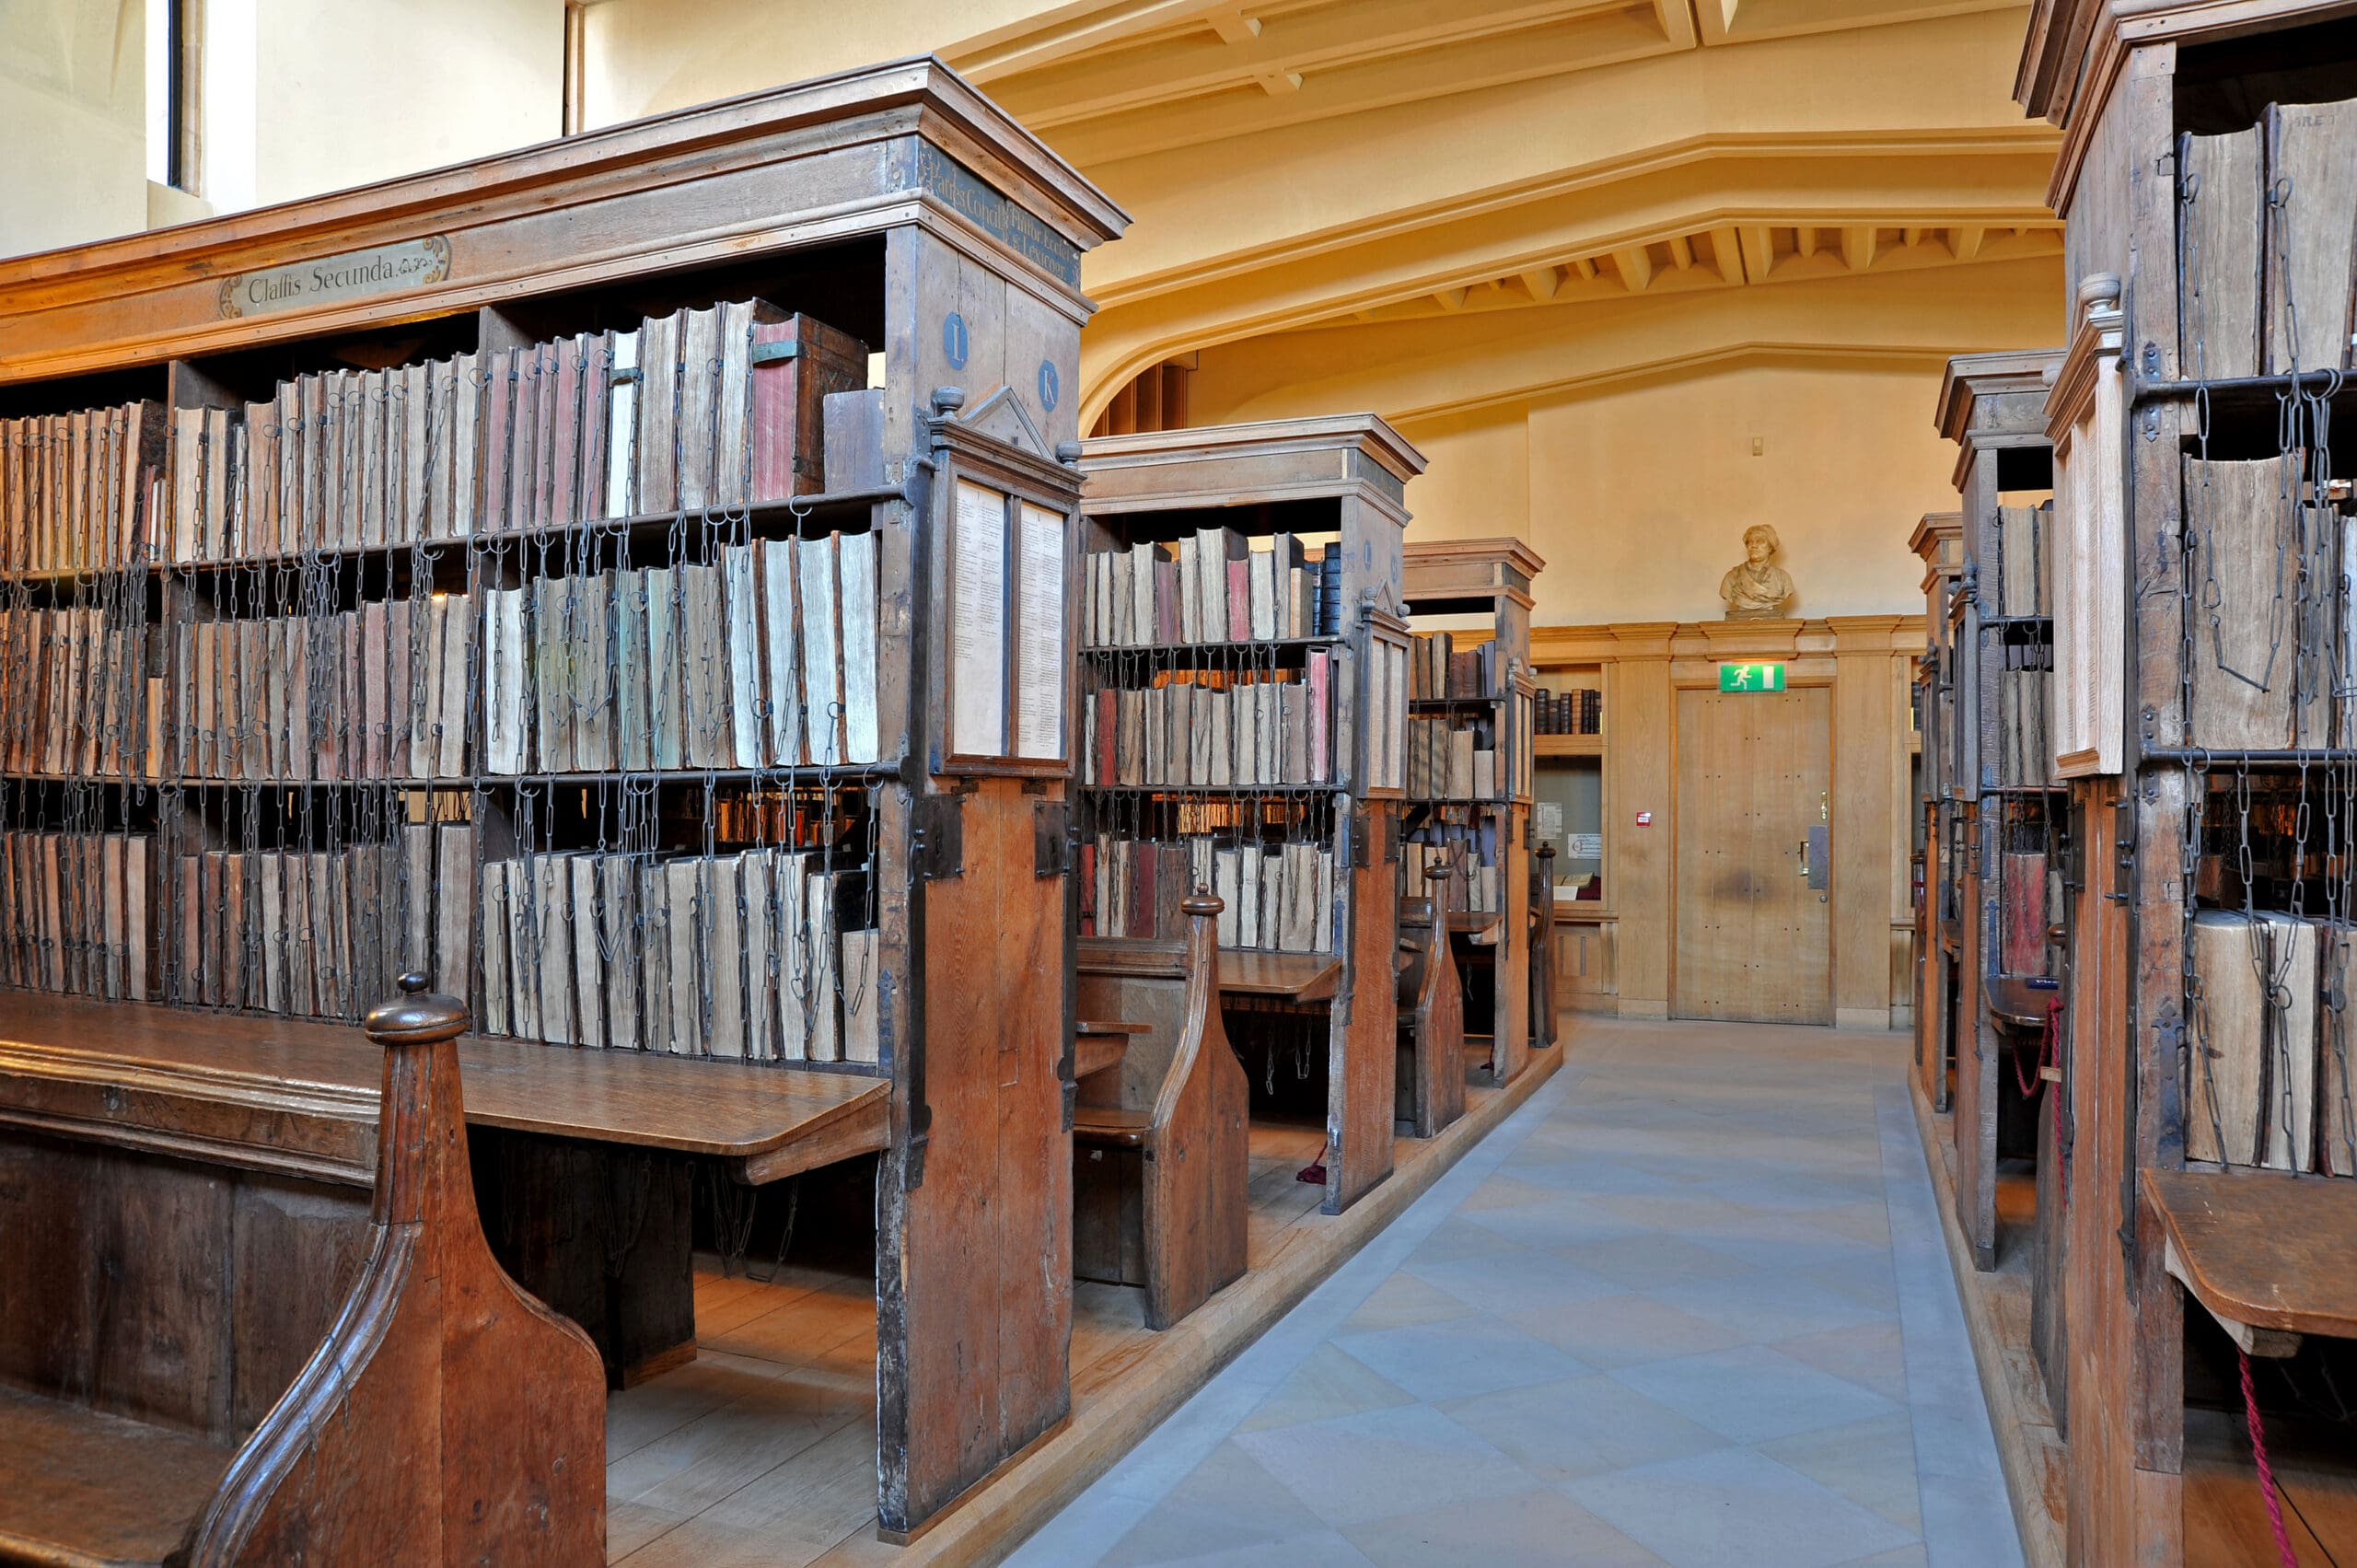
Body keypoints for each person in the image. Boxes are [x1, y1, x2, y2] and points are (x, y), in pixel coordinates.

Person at [1719, 523, 1794, 619]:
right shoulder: (1732, 577)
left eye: (1760, 541)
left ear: (1770, 547)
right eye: (1750, 542)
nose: (1754, 545)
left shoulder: (1783, 578)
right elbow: (1726, 592)